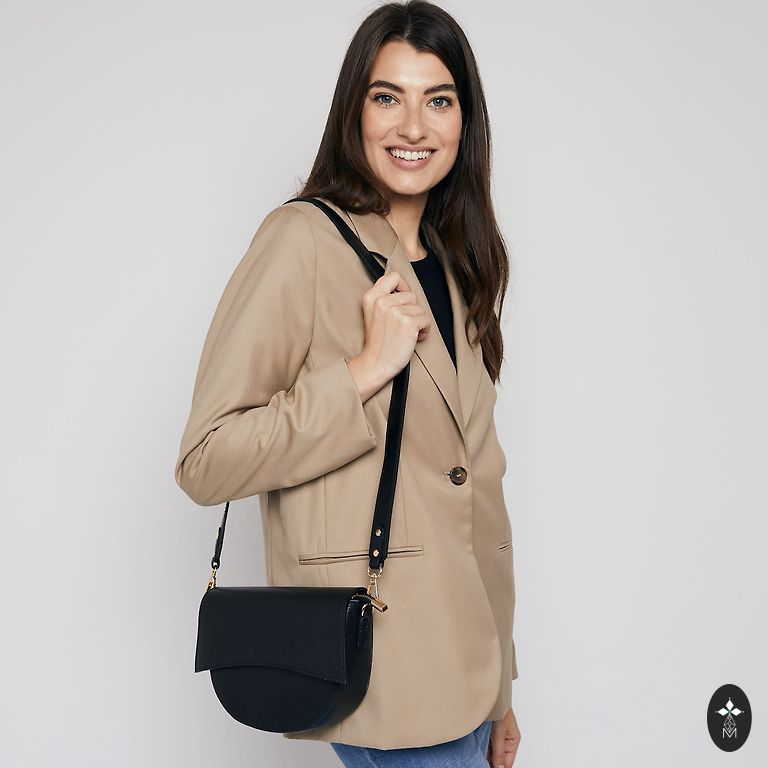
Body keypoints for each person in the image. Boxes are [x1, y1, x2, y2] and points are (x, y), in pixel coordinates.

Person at [175, 1, 521, 765]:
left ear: (465, 122)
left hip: (467, 674)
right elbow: (206, 458)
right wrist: (362, 373)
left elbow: (476, 496)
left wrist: (501, 690)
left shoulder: (458, 264)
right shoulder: (301, 240)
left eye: (439, 100)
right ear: (353, 112)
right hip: (386, 682)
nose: (413, 126)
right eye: (387, 96)